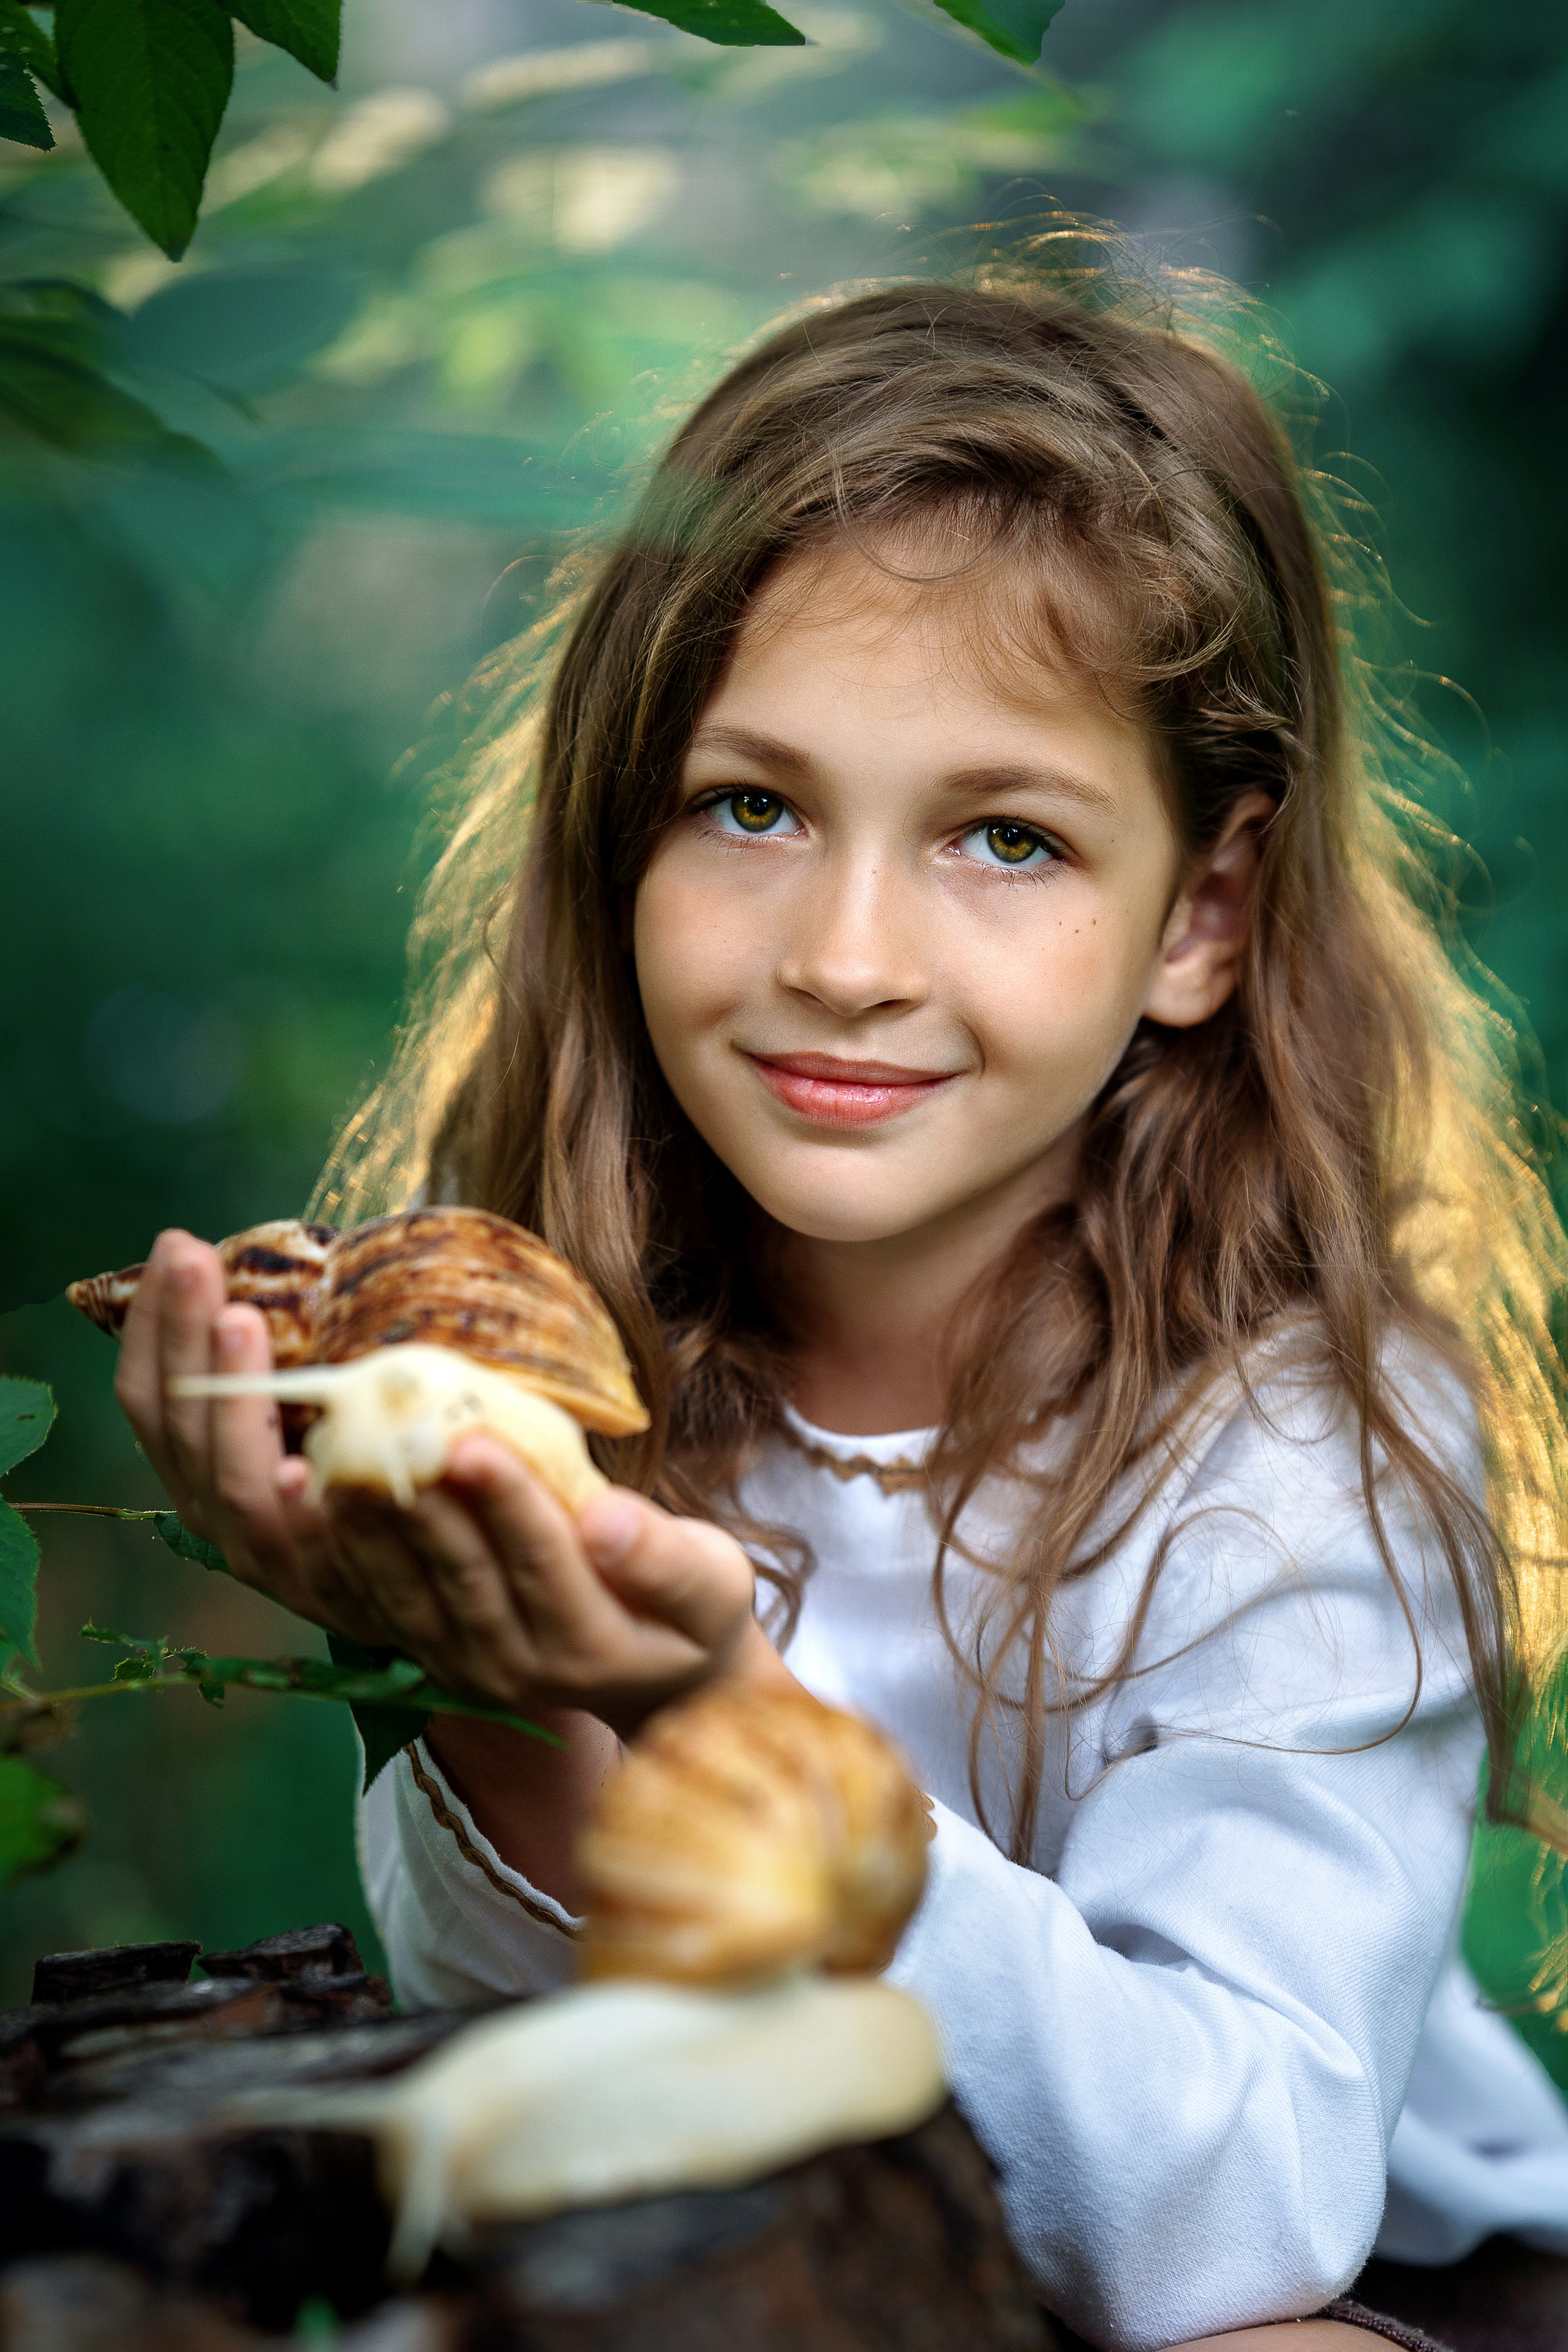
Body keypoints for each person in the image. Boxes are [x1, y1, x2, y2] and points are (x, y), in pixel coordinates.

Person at [113, 257, 1568, 2351]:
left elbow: (1225, 2215)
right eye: (755, 806)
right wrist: (501, 1690)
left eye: (1002, 836)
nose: (849, 953)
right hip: (850, 2258)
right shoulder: (554, 1365)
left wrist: (720, 1724)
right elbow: (586, 2075)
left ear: (1205, 914)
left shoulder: (1307, 1448)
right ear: (619, 837)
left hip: (1354, 2280)